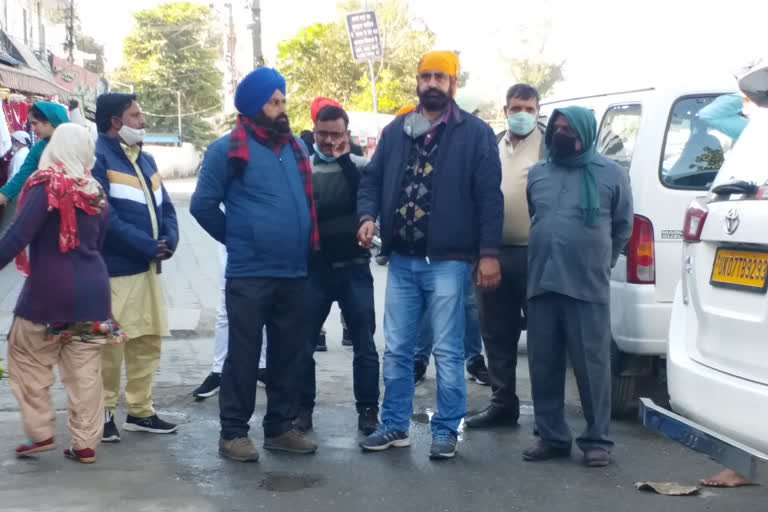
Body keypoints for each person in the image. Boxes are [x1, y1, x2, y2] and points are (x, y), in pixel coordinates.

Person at [357, 51, 503, 460]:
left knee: (449, 350)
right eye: (426, 76)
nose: (432, 83)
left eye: (440, 77)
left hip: (449, 262)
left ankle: (445, 430)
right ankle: (394, 425)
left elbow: (490, 198)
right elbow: (371, 180)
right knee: (400, 348)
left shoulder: (474, 133)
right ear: (417, 82)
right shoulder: (396, 130)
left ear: (453, 84)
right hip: (402, 260)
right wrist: (367, 216)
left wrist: (488, 253)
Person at [190, 67, 319, 462]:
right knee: (244, 356)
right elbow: (202, 205)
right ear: (252, 106)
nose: (282, 108)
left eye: (283, 100)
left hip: (294, 271)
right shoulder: (227, 149)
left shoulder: (295, 147)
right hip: (250, 273)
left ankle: (279, 428)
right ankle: (233, 434)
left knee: (287, 355)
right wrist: (239, 237)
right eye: (273, 101)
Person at [1, 124, 121, 464]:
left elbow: (17, 235)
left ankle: (40, 433)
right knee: (85, 371)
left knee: (26, 356)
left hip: (47, 294)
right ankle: (85, 444)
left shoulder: (46, 185)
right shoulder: (95, 190)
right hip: (94, 295)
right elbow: (97, 243)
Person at [523, 106, 633, 467]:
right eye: (556, 128)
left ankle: (597, 440)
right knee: (544, 364)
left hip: (586, 284)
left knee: (593, 366)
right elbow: (534, 216)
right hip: (542, 281)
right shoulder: (538, 172)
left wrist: (602, 260)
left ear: (586, 131)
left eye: (569, 128)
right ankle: (552, 436)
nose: (561, 134)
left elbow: (622, 228)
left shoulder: (612, 174)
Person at [91, 93, 180, 443]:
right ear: (116, 121)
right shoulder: (98, 158)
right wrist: (145, 245)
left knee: (147, 340)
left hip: (147, 269)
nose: (143, 121)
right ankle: (105, 412)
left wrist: (170, 238)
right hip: (117, 268)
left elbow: (167, 207)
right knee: (112, 346)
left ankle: (140, 411)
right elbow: (103, 214)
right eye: (136, 115)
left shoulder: (146, 159)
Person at [295, 104, 380, 436]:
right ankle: (302, 410)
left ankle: (368, 410)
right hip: (313, 270)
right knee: (302, 344)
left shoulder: (362, 167)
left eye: (336, 134)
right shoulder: (303, 167)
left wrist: (345, 159)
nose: (329, 141)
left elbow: (367, 200)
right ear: (313, 132)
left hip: (355, 269)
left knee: (364, 345)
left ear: (347, 134)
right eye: (323, 134)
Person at [465, 84, 546, 429]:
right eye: (516, 108)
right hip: (492, 254)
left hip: (536, 254)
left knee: (543, 337)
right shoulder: (493, 143)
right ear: (505, 110)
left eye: (529, 108)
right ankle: (502, 403)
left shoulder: (549, 145)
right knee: (496, 332)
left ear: (538, 110)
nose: (523, 114)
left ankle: (547, 414)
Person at [193, 243, 268, 399]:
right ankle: (219, 371)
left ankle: (262, 366)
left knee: (267, 302)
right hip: (233, 237)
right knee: (226, 307)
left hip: (268, 235)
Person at [0, 103, 69, 231]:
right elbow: (19, 179)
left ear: (50, 121)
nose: (31, 129)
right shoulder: (39, 148)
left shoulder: (76, 143)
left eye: (35, 123)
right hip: (47, 211)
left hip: (75, 211)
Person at [413, 280, 489, 386]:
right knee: (427, 302)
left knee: (470, 302)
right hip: (429, 263)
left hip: (466, 264)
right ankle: (419, 359)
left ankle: (474, 360)